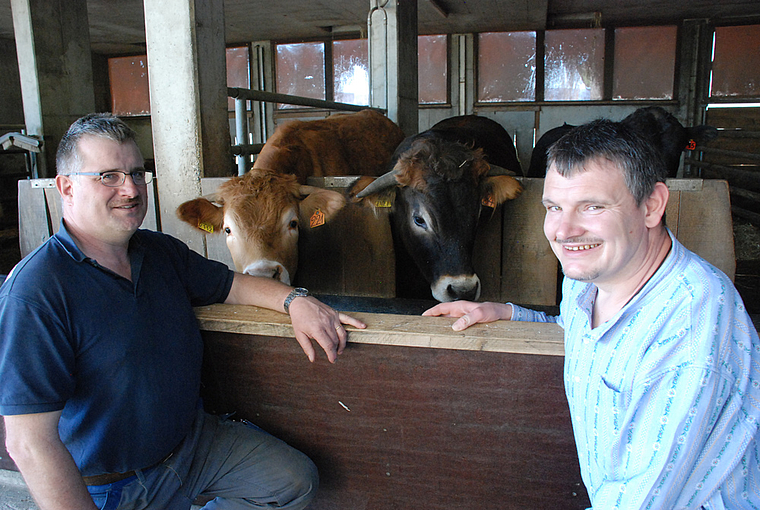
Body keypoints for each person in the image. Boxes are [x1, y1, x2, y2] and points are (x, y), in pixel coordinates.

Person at [0, 113, 366, 510]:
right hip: (114, 485)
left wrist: (295, 300)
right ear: (66, 187)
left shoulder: (158, 252)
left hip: (191, 449)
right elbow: (28, 443)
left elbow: (233, 284)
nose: (130, 189)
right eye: (109, 176)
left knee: (293, 481)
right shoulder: (36, 292)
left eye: (137, 173)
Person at [424, 119, 760, 509]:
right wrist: (506, 312)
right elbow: (579, 329)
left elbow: (642, 500)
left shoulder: (689, 322)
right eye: (554, 207)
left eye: (592, 206)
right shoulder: (589, 279)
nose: (564, 231)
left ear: (651, 206)